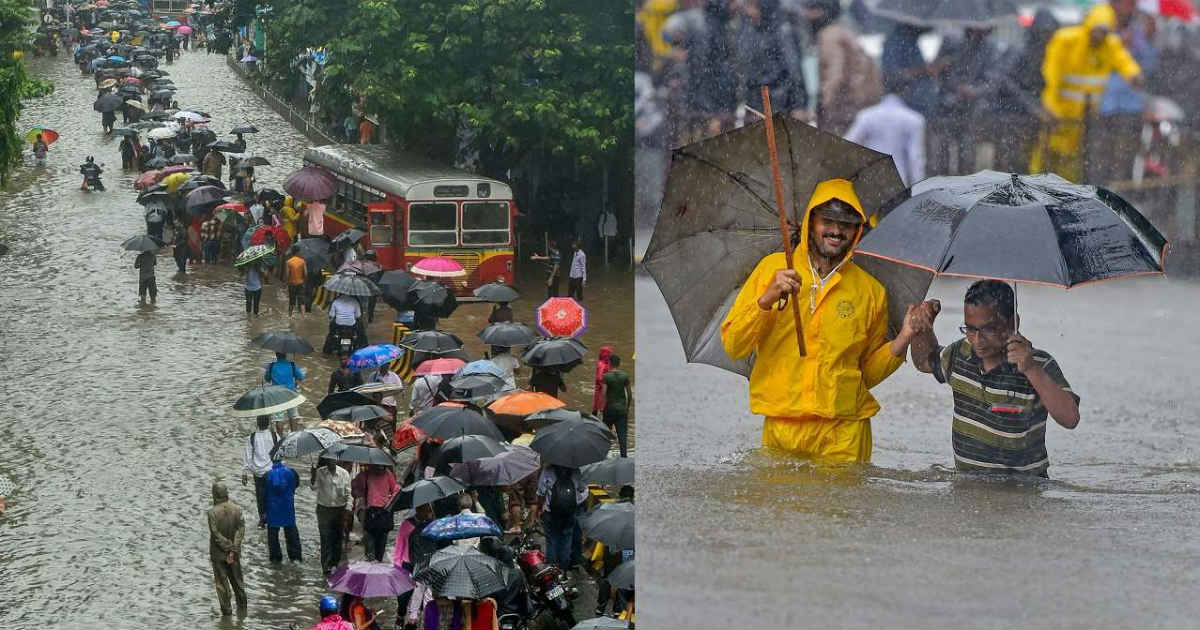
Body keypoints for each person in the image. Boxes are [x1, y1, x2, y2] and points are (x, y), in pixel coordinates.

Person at [720, 178, 908, 463]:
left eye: (846, 224)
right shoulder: (772, 270)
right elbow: (734, 345)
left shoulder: (871, 291)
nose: (836, 230)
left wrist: (904, 338)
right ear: (811, 222)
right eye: (828, 221)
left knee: (838, 508)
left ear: (858, 230)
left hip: (844, 433)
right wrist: (767, 299)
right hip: (782, 426)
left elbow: (866, 373)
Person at [901, 280, 1080, 476]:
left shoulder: (1039, 363)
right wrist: (924, 326)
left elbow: (1070, 418)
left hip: (1024, 491)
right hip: (969, 486)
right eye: (970, 329)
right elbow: (924, 361)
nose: (977, 340)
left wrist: (1031, 370)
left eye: (989, 330)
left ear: (1013, 323)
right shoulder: (960, 354)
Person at [1035, 3, 1141, 182]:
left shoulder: (1110, 44)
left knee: (1073, 166)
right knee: (1045, 160)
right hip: (1059, 115)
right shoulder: (1067, 40)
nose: (1100, 36)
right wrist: (1050, 107)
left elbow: (1124, 62)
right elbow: (1051, 78)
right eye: (1097, 30)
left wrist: (1134, 75)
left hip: (1085, 119)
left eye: (1104, 31)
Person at [804, 0, 881, 136]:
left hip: (844, 109)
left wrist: (824, 106)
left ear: (823, 12)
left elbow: (835, 74)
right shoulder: (841, 31)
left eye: (812, 11)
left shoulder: (829, 36)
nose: (806, 15)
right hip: (857, 105)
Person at [843, 72, 926, 187]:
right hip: (899, 179)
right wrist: (919, 187)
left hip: (870, 179)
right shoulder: (914, 119)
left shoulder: (866, 116)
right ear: (906, 91)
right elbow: (915, 157)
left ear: (883, 89)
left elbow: (848, 144)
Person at [536, 464, 587, 571]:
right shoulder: (576, 470)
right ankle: (563, 568)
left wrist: (540, 508)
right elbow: (582, 488)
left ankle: (552, 568)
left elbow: (541, 492)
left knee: (551, 540)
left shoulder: (548, 470)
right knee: (566, 539)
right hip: (569, 512)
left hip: (551, 512)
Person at [207, 481, 247, 617]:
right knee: (238, 583)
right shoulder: (237, 509)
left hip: (218, 555)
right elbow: (241, 529)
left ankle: (227, 615)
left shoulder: (212, 512)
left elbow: (215, 534)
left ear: (215, 495)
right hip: (234, 554)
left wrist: (228, 546)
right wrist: (234, 548)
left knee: (222, 586)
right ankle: (243, 612)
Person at [311, 456, 351, 575]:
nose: (331, 462)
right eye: (329, 460)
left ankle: (334, 563)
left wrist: (347, 509)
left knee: (337, 538)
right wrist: (313, 475)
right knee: (325, 538)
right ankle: (326, 566)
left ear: (337, 460)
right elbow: (313, 487)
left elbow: (349, 493)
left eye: (333, 460)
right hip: (324, 509)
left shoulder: (344, 474)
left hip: (340, 510)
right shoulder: (320, 472)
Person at [352, 463, 398, 562]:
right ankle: (372, 563)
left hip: (384, 513)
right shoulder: (366, 474)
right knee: (370, 545)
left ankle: (378, 563)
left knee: (381, 545)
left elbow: (396, 490)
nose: (380, 468)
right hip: (371, 512)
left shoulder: (387, 474)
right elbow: (356, 488)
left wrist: (389, 504)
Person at [242, 415, 279, 528]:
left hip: (257, 472)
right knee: (271, 495)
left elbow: (248, 457)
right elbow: (278, 454)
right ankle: (272, 518)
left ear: (257, 423)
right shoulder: (274, 435)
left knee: (260, 496)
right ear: (268, 423)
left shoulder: (251, 438)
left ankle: (262, 520)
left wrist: (244, 473)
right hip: (271, 471)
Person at [265, 459, 302, 562]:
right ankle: (295, 557)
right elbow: (296, 485)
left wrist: (263, 513)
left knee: (273, 536)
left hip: (272, 509)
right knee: (291, 531)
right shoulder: (292, 472)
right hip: (287, 507)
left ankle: (276, 558)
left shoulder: (267, 475)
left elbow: (262, 494)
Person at [265, 352, 305, 433]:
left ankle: (280, 438)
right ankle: (293, 435)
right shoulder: (292, 365)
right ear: (286, 355)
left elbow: (267, 379)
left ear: (276, 355)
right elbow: (301, 377)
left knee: (278, 418)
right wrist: (296, 382)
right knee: (293, 416)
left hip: (277, 395)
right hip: (291, 394)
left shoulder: (272, 366)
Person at [600, 355, 632, 458]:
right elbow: (629, 394)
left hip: (609, 409)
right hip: (622, 410)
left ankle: (603, 456)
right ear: (619, 363)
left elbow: (603, 393)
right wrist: (627, 407)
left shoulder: (606, 376)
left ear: (609, 363)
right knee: (622, 436)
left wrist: (602, 407)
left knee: (606, 435)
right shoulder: (624, 376)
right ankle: (624, 458)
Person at [286, 246, 308, 315]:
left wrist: (287, 283)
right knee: (302, 301)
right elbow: (306, 273)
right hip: (301, 283)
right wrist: (304, 280)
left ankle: (290, 315)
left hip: (292, 283)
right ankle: (303, 316)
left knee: (292, 301)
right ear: (298, 252)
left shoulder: (288, 262)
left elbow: (287, 274)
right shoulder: (302, 261)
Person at [591, 346, 613, 416]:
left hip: (601, 389)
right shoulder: (603, 364)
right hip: (602, 389)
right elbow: (599, 377)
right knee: (602, 408)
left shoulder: (604, 363)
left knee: (597, 407)